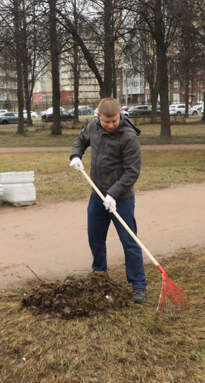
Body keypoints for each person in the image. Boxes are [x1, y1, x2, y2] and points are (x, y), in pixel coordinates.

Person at [69, 97, 148, 303]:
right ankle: (99, 276)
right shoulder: (93, 127)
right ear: (98, 117)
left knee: (129, 240)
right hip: (97, 194)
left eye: (114, 121)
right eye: (107, 121)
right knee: (95, 237)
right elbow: (80, 140)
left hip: (121, 198)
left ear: (120, 115)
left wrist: (113, 193)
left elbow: (132, 171)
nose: (111, 125)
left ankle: (138, 284)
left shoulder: (128, 137)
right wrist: (75, 155)